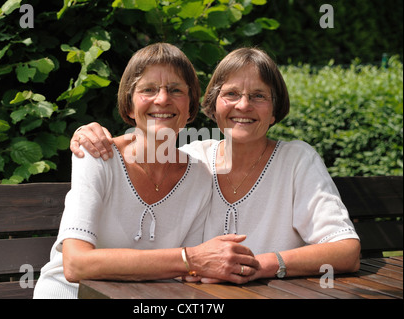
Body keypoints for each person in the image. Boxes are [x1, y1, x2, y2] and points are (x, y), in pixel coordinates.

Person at [71, 47, 361, 283]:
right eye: (231, 94)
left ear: (274, 111)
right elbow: (149, 140)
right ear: (213, 105)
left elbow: (346, 250)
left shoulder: (297, 160)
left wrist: (260, 265)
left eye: (258, 96)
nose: (243, 106)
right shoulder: (197, 160)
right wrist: (93, 137)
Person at [33, 43, 260, 299]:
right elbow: (76, 264)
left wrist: (191, 263)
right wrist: (188, 259)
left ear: (190, 109)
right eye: (148, 89)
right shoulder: (97, 156)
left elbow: (191, 274)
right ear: (129, 105)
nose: (162, 99)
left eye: (175, 90)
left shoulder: (200, 177)